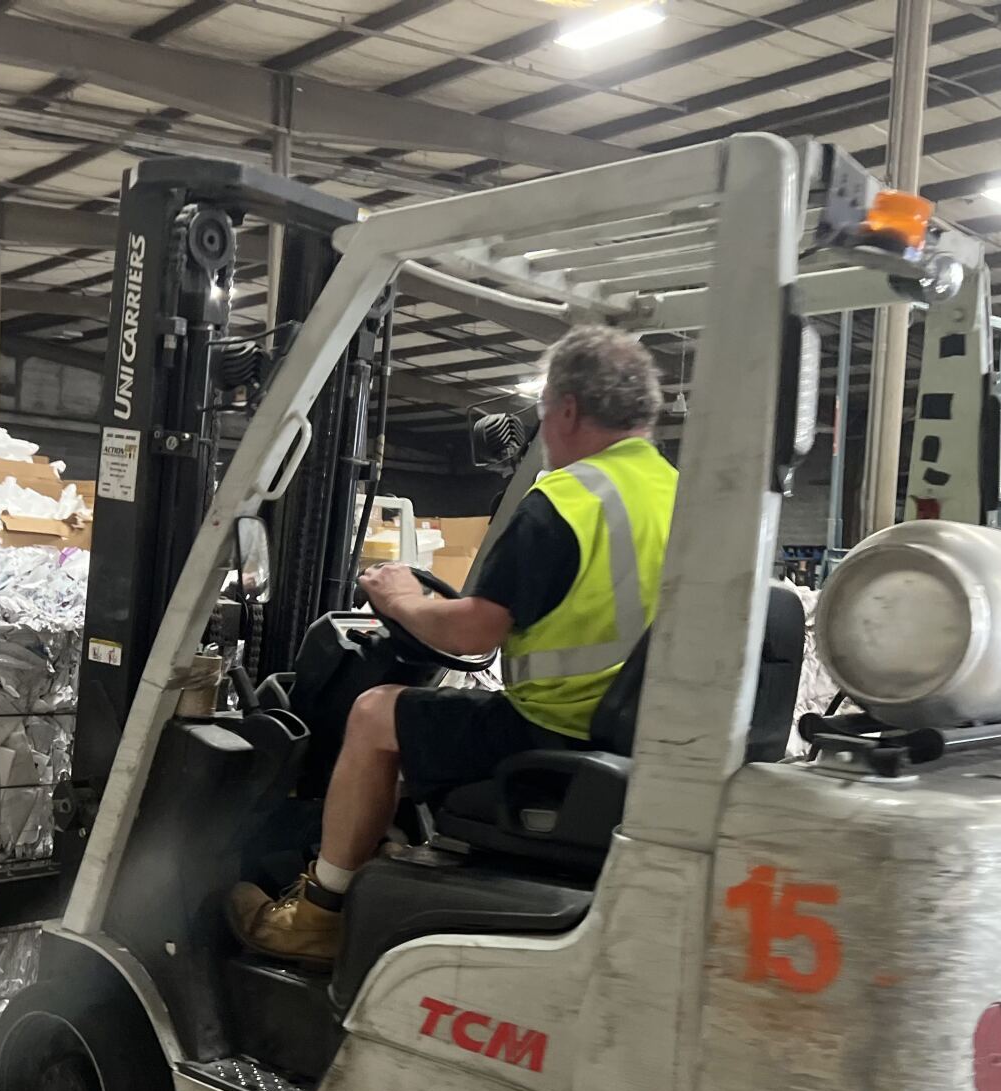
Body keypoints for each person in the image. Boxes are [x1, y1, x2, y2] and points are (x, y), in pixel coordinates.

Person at [230, 325, 676, 964]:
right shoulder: (678, 494)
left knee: (374, 711)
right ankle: (384, 849)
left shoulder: (568, 498)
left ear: (569, 409)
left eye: (545, 411)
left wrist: (398, 598)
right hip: (637, 734)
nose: (545, 428)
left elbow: (472, 631)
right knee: (430, 717)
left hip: (556, 729)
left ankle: (319, 914)